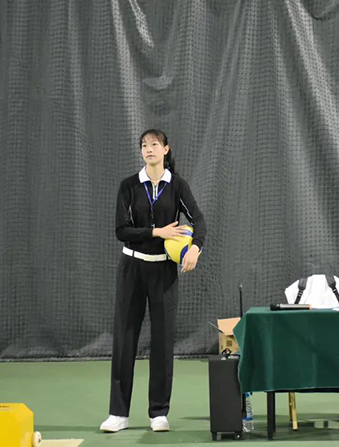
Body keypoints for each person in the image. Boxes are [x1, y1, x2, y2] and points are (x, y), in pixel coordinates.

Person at [100, 129, 207, 433]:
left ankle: (158, 413)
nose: (149, 149)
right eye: (144, 145)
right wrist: (157, 232)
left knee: (162, 342)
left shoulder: (178, 185)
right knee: (124, 341)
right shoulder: (129, 186)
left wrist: (195, 249)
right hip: (132, 269)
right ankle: (118, 414)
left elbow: (198, 220)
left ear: (165, 150)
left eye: (154, 144)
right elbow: (121, 230)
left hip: (164, 272)